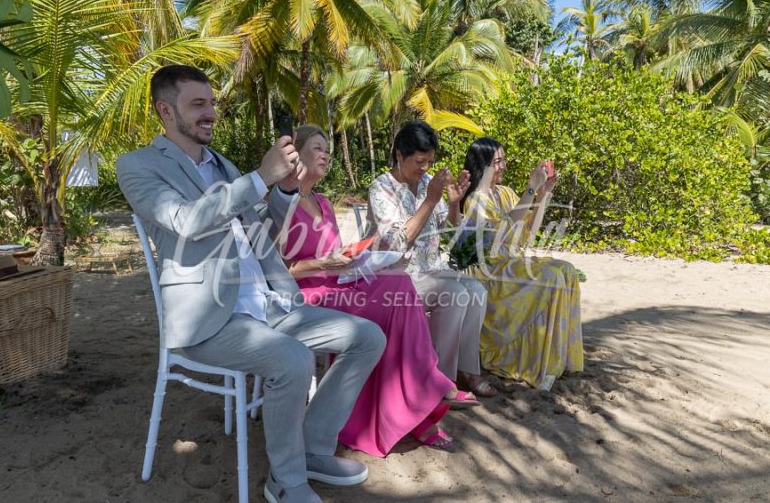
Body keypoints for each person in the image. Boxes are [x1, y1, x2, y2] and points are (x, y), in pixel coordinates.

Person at [116, 65, 386, 503]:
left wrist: (282, 191)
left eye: (212, 102)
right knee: (294, 361)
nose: (211, 113)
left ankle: (313, 449)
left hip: (267, 304)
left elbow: (259, 231)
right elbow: (186, 222)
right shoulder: (137, 166)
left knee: (367, 337)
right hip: (210, 321)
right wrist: (259, 178)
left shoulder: (221, 164)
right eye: (197, 104)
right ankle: (285, 479)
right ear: (165, 110)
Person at [275, 124, 481, 455]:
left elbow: (338, 255)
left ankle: (421, 395)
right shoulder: (281, 204)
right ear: (294, 154)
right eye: (317, 148)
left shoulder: (324, 203)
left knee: (400, 288)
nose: (326, 154)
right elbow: (279, 269)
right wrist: (323, 263)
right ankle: (423, 401)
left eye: (327, 147)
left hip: (340, 282)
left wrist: (352, 256)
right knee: (399, 292)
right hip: (307, 294)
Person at [366, 121, 496, 397]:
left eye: (430, 162)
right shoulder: (381, 189)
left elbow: (449, 229)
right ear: (399, 155)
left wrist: (452, 203)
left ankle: (467, 369)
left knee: (475, 290)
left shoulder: (426, 182)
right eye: (419, 161)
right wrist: (430, 200)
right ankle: (439, 379)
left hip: (429, 269)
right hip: (394, 276)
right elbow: (397, 243)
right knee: (453, 294)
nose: (425, 168)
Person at [460, 137, 583, 390]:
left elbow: (527, 233)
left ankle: (556, 359)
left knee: (567, 272)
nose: (503, 166)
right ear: (482, 165)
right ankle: (532, 363)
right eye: (497, 162)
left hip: (512, 262)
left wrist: (543, 193)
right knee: (550, 278)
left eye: (503, 160)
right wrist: (530, 188)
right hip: (490, 271)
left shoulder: (504, 193)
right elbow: (503, 234)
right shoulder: (475, 200)